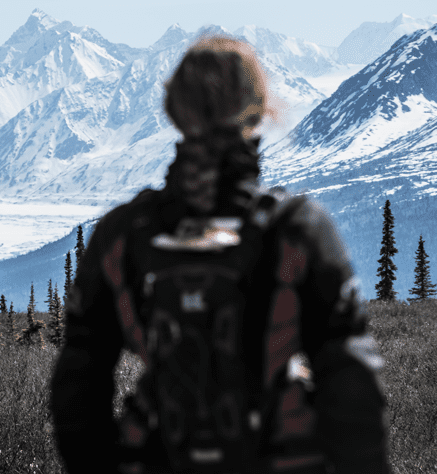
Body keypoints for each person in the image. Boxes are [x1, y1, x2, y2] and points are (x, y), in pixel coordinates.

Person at [50, 35, 389, 474]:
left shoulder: (125, 233)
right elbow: (352, 380)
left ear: (174, 110)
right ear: (259, 109)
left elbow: (80, 378)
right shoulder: (296, 229)